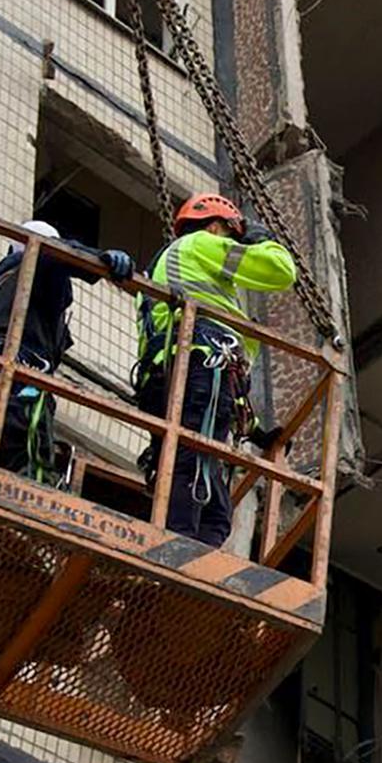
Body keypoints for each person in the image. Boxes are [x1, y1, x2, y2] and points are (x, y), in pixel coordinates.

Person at [134, 193, 296, 547]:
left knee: (209, 489)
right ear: (214, 226)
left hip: (176, 377)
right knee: (193, 466)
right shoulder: (202, 243)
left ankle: (199, 554)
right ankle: (178, 550)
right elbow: (281, 271)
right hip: (201, 366)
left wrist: (254, 430)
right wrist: (256, 236)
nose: (231, 245)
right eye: (229, 236)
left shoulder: (167, 269)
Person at [0, 220, 134, 482]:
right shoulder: (32, 264)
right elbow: (54, 253)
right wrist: (99, 261)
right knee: (28, 468)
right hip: (18, 380)